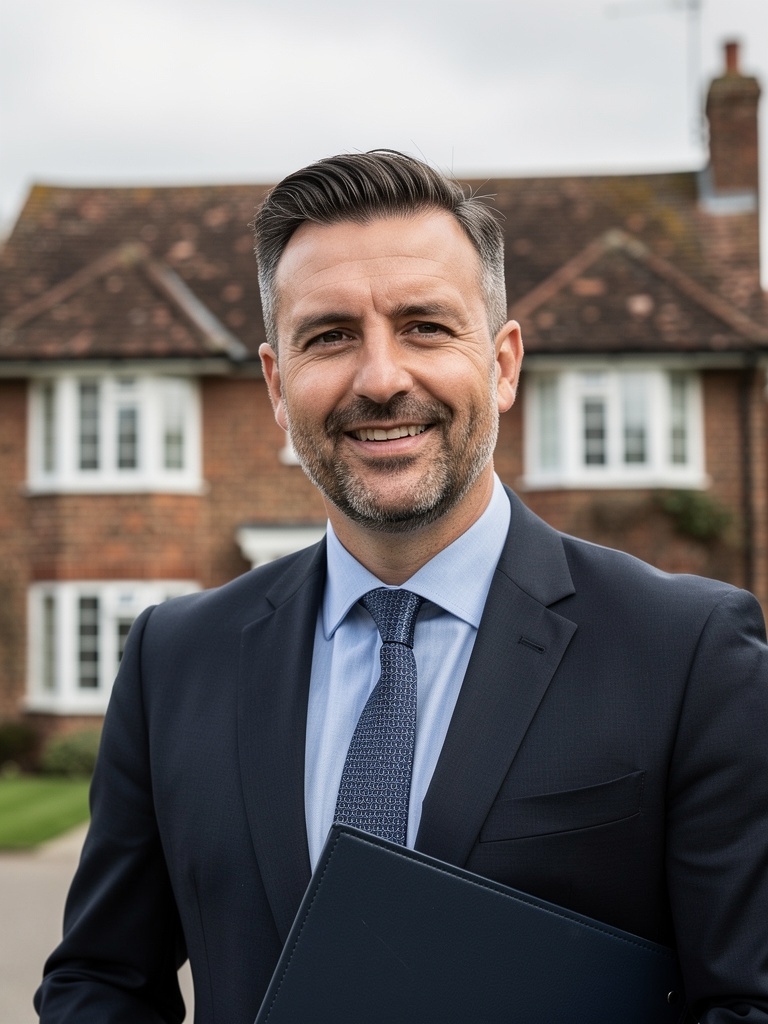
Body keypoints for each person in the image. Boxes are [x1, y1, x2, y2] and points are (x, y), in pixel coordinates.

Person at [36, 150, 768, 1023]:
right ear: (277, 385)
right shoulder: (174, 659)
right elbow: (101, 982)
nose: (381, 379)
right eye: (331, 336)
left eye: (425, 326)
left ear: (502, 364)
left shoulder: (688, 654)